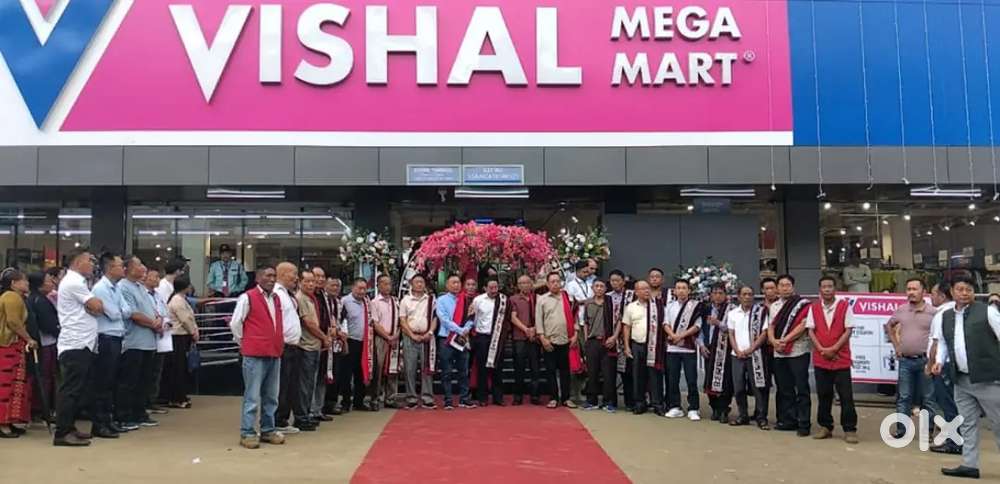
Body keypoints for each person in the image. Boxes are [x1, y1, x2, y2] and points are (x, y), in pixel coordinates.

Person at [930, 276, 1000, 479]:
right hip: (960, 379)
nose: (964, 293)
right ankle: (970, 465)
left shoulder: (987, 312)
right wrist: (939, 361)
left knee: (998, 423)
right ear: (952, 292)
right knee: (967, 423)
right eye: (960, 289)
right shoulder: (945, 316)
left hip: (988, 378)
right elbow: (943, 342)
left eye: (968, 289)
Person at [230, 266, 286, 449]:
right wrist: (245, 343)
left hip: (274, 352)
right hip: (254, 354)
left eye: (274, 276)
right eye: (268, 275)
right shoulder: (247, 297)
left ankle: (268, 429)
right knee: (252, 396)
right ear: (258, 278)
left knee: (271, 396)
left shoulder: (276, 298)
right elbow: (235, 323)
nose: (272, 279)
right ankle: (247, 432)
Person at [54, 249, 104, 447]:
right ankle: (62, 433)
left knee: (78, 390)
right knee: (70, 390)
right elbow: (97, 306)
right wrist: (93, 306)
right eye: (88, 261)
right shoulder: (73, 282)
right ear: (77, 262)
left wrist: (93, 307)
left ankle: (69, 427)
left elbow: (96, 309)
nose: (92, 264)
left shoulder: (80, 283)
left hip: (84, 342)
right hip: (75, 343)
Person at [885, 277, 940, 439]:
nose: (911, 292)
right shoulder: (901, 310)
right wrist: (896, 346)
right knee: (904, 397)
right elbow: (889, 326)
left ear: (924, 291)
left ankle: (928, 431)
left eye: (915, 289)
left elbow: (939, 336)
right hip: (905, 361)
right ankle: (901, 430)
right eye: (909, 289)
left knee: (928, 398)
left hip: (926, 361)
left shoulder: (933, 312)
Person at [806, 276, 858, 443]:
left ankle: (849, 429)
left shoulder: (844, 306)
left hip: (840, 358)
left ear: (835, 289)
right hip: (821, 358)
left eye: (830, 286)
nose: (827, 289)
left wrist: (834, 349)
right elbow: (810, 331)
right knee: (823, 395)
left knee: (846, 396)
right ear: (820, 290)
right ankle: (825, 426)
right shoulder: (814, 307)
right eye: (824, 286)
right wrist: (822, 349)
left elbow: (848, 330)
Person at [116, 258, 162, 429]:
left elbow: (154, 310)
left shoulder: (140, 287)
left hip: (148, 341)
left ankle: (140, 413)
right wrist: (153, 323)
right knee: (129, 381)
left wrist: (158, 319)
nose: (143, 267)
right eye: (138, 265)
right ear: (128, 268)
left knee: (144, 380)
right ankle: (124, 416)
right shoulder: (123, 287)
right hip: (133, 342)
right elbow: (133, 314)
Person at [767, 274, 813, 437]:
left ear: (793, 287)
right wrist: (774, 341)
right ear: (777, 288)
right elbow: (771, 326)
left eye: (788, 285)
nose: (785, 288)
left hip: (798, 351)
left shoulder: (803, 305)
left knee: (801, 388)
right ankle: (788, 420)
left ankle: (804, 423)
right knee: (784, 388)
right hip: (779, 352)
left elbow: (803, 325)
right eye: (782, 285)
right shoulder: (774, 306)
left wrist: (785, 340)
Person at [88, 253, 128, 437]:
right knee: (102, 382)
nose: (124, 268)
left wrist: (119, 310)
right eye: (120, 265)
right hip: (105, 338)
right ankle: (99, 423)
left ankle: (108, 420)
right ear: (110, 268)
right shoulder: (101, 288)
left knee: (111, 381)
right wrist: (119, 310)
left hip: (117, 337)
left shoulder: (116, 287)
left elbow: (127, 310)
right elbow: (113, 313)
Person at [288, 270, 327, 431]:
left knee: (311, 383)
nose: (311, 284)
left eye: (313, 281)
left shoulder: (312, 298)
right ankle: (301, 417)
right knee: (304, 385)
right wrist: (324, 337)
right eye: (307, 281)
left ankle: (307, 414)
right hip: (306, 347)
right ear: (300, 282)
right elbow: (309, 323)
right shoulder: (301, 298)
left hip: (314, 346)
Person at [0, 269, 36, 438]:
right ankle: (3, 423)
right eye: (24, 280)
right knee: (6, 385)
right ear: (14, 283)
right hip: (8, 346)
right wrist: (28, 338)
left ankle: (9, 421)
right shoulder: (12, 297)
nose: (27, 283)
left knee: (15, 385)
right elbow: (13, 322)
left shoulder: (14, 297)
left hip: (11, 346)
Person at [727, 285, 769, 429]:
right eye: (744, 294)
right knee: (738, 387)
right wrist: (737, 350)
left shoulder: (760, 312)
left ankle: (761, 417)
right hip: (737, 355)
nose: (747, 297)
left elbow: (764, 333)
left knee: (758, 387)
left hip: (755, 355)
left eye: (750, 294)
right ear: (739, 297)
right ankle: (743, 415)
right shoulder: (733, 313)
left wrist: (751, 349)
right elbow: (731, 334)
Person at [928, 282, 962, 455]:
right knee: (953, 403)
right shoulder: (955, 311)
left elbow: (936, 342)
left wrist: (930, 364)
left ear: (942, 296)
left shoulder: (942, 314)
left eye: (933, 293)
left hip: (943, 365)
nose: (931, 297)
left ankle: (954, 441)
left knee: (947, 404)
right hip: (951, 364)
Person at [536, 272, 578, 409]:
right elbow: (539, 320)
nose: (555, 284)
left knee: (566, 371)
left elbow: (575, 317)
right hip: (549, 340)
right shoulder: (542, 299)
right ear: (547, 284)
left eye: (557, 281)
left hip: (566, 339)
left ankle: (566, 398)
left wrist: (575, 334)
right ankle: (553, 397)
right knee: (550, 371)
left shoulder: (568, 298)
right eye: (552, 281)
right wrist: (542, 338)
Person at [664, 279, 702, 420]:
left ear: (689, 290)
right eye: (678, 288)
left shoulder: (695, 306)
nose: (681, 290)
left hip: (688, 348)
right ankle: (675, 406)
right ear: (674, 291)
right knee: (672, 379)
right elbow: (665, 323)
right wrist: (673, 336)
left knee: (691, 379)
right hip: (672, 348)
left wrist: (681, 336)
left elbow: (697, 326)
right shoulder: (670, 306)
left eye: (684, 288)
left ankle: (694, 408)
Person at [436, 274, 475, 410]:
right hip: (446, 338)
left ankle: (464, 399)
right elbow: (444, 319)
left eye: (458, 282)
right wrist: (459, 329)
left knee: (463, 370)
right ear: (447, 285)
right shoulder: (441, 300)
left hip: (462, 338)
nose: (456, 285)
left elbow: (471, 318)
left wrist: (466, 328)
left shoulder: (466, 299)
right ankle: (448, 400)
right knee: (446, 371)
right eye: (453, 282)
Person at [399, 274, 437, 409]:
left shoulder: (431, 300)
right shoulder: (405, 300)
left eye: (422, 282)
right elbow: (402, 320)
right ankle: (411, 398)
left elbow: (435, 318)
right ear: (411, 284)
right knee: (410, 368)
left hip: (427, 337)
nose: (419, 284)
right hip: (410, 336)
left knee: (427, 368)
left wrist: (430, 333)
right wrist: (412, 335)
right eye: (417, 282)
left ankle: (427, 397)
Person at [273, 263, 304, 432]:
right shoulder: (276, 293)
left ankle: (282, 419)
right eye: (294, 273)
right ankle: (276, 420)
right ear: (284, 274)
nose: (296, 278)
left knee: (290, 385)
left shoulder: (287, 294)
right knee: (281, 385)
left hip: (293, 346)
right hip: (282, 347)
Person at [622, 280, 660, 415]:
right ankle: (639, 403)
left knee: (654, 375)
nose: (646, 291)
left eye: (647, 288)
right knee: (638, 374)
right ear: (636, 292)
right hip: (637, 344)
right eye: (643, 289)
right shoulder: (631, 307)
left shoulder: (656, 306)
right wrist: (627, 346)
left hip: (654, 345)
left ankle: (657, 403)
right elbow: (626, 327)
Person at [27, 271, 59, 424]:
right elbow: (47, 324)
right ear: (40, 284)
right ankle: (40, 409)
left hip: (47, 342)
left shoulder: (39, 298)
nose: (52, 283)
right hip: (44, 343)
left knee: (47, 377)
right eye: (48, 280)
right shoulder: (39, 300)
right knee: (44, 377)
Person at [338, 278, 374, 413]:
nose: (362, 291)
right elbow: (340, 321)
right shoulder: (345, 301)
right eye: (359, 288)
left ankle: (359, 401)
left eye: (364, 289)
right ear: (353, 288)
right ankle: (346, 402)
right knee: (346, 373)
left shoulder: (367, 302)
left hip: (364, 343)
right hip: (350, 341)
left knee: (361, 372)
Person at [580, 279, 618, 411]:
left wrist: (614, 337)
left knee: (608, 374)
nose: (599, 288)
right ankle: (591, 401)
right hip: (592, 341)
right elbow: (585, 322)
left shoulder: (611, 302)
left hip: (608, 341)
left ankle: (608, 402)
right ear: (592, 288)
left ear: (606, 289)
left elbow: (619, 320)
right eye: (597, 286)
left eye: (602, 286)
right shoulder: (588, 303)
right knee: (592, 373)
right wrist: (586, 339)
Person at [470, 278, 508, 406]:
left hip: (497, 337)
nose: (494, 290)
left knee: (498, 367)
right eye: (491, 288)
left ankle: (498, 397)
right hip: (482, 337)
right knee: (482, 368)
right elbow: (473, 318)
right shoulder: (478, 300)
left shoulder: (503, 300)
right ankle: (483, 397)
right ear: (485, 288)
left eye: (496, 287)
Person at [701, 284, 734, 424]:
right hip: (709, 347)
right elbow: (700, 328)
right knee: (709, 378)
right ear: (710, 295)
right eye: (715, 293)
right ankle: (714, 407)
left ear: (725, 295)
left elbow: (733, 328)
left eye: (721, 293)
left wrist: (718, 323)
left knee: (726, 380)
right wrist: (701, 345)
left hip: (725, 348)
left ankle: (724, 409)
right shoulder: (706, 309)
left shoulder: (731, 309)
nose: (718, 296)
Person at [165, 276, 198, 409]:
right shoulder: (177, 300)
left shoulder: (181, 299)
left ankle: (180, 395)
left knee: (181, 367)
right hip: (177, 336)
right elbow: (185, 319)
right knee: (178, 368)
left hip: (182, 336)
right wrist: (193, 332)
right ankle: (177, 397)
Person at [312, 275, 341, 420]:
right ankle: (311, 411)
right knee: (314, 378)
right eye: (332, 285)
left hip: (331, 343)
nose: (334, 288)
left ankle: (319, 409)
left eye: (337, 286)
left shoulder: (335, 301)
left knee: (324, 376)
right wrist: (324, 336)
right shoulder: (315, 298)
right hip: (316, 341)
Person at [370, 275, 401, 410]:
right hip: (381, 338)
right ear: (378, 285)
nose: (387, 286)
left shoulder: (396, 301)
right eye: (384, 284)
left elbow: (401, 321)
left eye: (389, 284)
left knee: (393, 369)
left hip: (394, 338)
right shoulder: (374, 302)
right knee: (378, 368)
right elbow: (375, 323)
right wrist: (388, 337)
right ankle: (375, 398)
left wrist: (396, 336)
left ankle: (391, 397)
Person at [509, 274, 541, 406]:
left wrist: (535, 329)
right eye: (521, 283)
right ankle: (518, 396)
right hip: (520, 338)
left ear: (531, 284)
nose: (525, 285)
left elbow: (542, 316)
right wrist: (526, 329)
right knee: (519, 367)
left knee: (535, 368)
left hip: (535, 337)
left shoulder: (538, 298)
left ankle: (535, 395)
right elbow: (513, 317)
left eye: (527, 283)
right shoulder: (513, 299)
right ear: (518, 286)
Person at [608, 270, 635, 411]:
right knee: (610, 370)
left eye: (617, 280)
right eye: (612, 280)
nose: (615, 283)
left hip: (626, 337)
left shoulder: (631, 296)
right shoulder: (607, 296)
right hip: (609, 336)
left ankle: (630, 401)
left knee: (627, 371)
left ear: (623, 281)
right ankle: (611, 401)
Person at [144, 268, 171, 416]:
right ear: (146, 278)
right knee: (147, 372)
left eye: (158, 277)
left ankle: (152, 400)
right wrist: (156, 324)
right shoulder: (143, 294)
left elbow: (165, 312)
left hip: (161, 337)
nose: (157, 279)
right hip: (148, 335)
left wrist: (165, 323)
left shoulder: (158, 295)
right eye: (154, 277)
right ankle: (144, 402)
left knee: (156, 371)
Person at [757, 277, 779, 427]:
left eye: (772, 288)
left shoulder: (782, 306)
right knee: (762, 384)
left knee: (782, 385)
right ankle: (761, 414)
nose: (770, 291)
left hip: (779, 350)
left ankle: (783, 416)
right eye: (767, 288)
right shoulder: (758, 308)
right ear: (762, 290)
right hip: (762, 350)